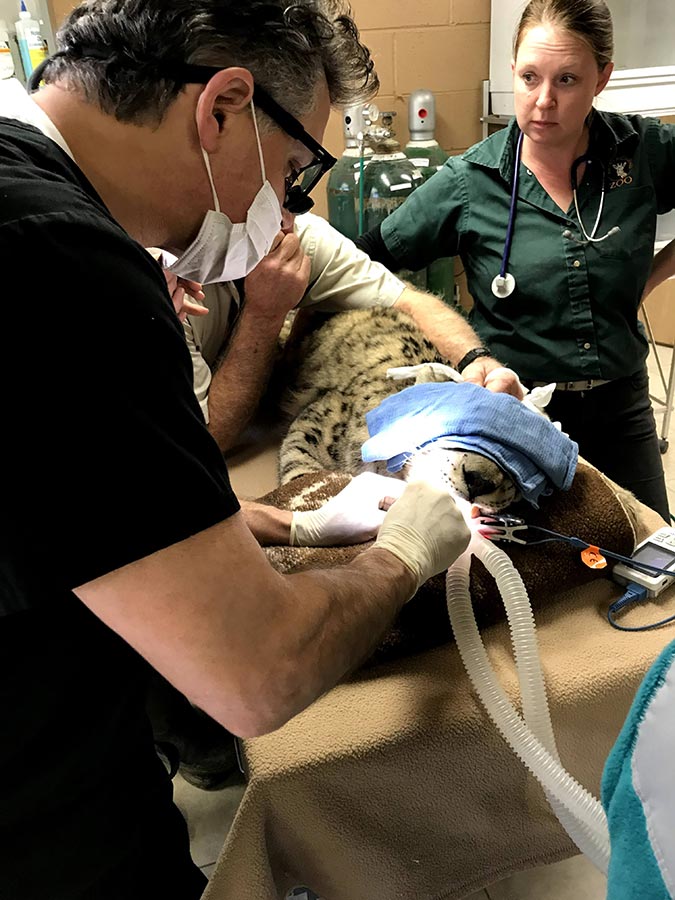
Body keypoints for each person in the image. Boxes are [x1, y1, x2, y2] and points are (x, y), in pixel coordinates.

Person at [0, 2, 472, 898]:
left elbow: (59, 515)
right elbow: (259, 675)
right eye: (293, 175)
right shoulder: (62, 264)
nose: (287, 209)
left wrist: (255, 523)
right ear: (221, 108)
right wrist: (408, 553)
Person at [355, 0, 675, 522]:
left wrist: (650, 277)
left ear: (603, 78)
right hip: (515, 414)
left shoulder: (641, 152)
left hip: (621, 406)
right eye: (529, 77)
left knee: (650, 552)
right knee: (525, 568)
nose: (543, 101)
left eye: (567, 80)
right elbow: (364, 262)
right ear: (513, 72)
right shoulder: (469, 181)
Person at [167, 211, 524, 452]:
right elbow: (208, 437)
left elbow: (410, 301)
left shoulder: (293, 233)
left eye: (292, 189)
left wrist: (475, 361)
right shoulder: (163, 277)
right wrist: (264, 313)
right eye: (286, 171)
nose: (286, 216)